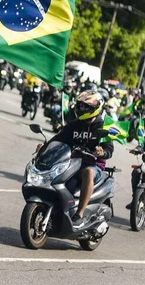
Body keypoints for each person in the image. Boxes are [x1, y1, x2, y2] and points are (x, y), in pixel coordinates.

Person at [38, 91, 114, 226]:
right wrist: (44, 147)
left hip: (94, 166)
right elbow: (58, 139)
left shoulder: (103, 126)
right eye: (80, 106)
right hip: (72, 164)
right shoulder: (74, 125)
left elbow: (109, 149)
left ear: (95, 108)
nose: (82, 109)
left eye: (86, 107)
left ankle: (80, 214)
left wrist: (102, 152)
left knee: (88, 172)